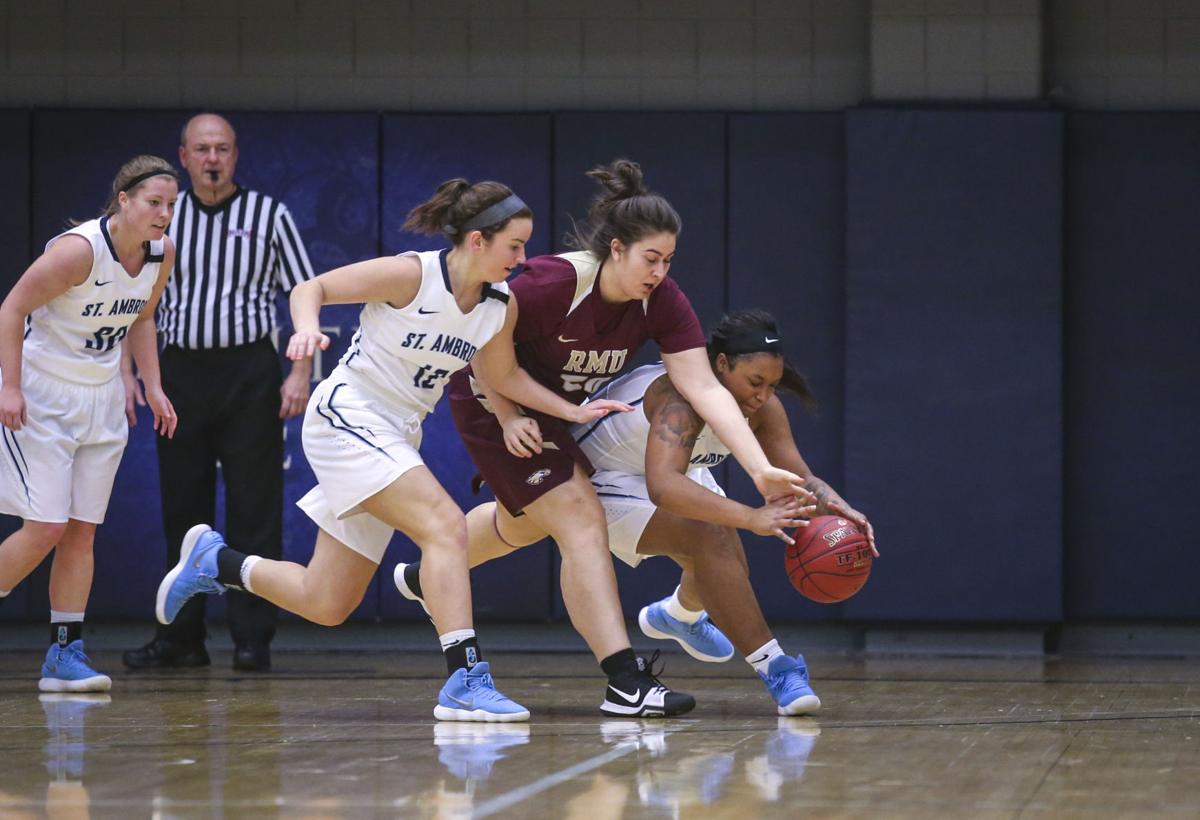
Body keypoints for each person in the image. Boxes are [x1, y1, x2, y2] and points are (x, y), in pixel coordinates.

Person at [153, 178, 627, 721]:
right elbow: (310, 288)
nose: (522, 259)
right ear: (477, 240)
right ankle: (466, 680)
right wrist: (306, 331)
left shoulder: (497, 306)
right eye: (514, 246)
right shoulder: (412, 274)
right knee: (445, 526)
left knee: (326, 600)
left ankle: (217, 562)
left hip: (397, 432)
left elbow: (503, 376)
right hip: (348, 413)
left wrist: (569, 413)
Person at [395, 159, 813, 718]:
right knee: (577, 517)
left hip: (567, 409)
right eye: (650, 258)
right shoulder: (550, 284)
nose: (661, 271)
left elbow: (705, 388)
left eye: (669, 260)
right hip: (497, 402)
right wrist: (507, 415)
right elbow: (482, 350)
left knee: (525, 520)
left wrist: (759, 469)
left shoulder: (661, 300)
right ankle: (623, 681)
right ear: (616, 249)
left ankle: (433, 575)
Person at [573, 309, 878, 714]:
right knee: (713, 536)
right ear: (720, 364)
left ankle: (679, 615)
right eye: (755, 382)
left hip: (668, 469)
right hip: (592, 475)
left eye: (772, 385)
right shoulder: (678, 400)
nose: (763, 395)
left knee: (727, 556)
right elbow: (663, 486)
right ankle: (777, 668)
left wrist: (839, 506)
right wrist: (751, 517)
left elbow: (799, 478)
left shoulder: (763, 408)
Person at [123, 113, 316, 673]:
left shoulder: (269, 215)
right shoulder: (165, 218)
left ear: (235, 156)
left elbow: (305, 291)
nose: (212, 158)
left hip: (249, 374)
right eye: (202, 149)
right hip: (179, 373)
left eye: (222, 149)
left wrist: (300, 372)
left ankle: (253, 638)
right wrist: (129, 371)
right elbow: (132, 299)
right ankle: (180, 638)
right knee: (182, 508)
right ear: (182, 156)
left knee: (255, 508)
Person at [0, 155, 179, 692]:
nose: (164, 214)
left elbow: (142, 317)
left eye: (171, 205)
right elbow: (11, 310)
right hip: (43, 395)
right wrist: (9, 386)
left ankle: (64, 654)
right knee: (46, 527)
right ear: (123, 200)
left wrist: (151, 384)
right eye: (154, 203)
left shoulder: (160, 253)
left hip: (101, 397)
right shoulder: (78, 251)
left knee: (82, 530)